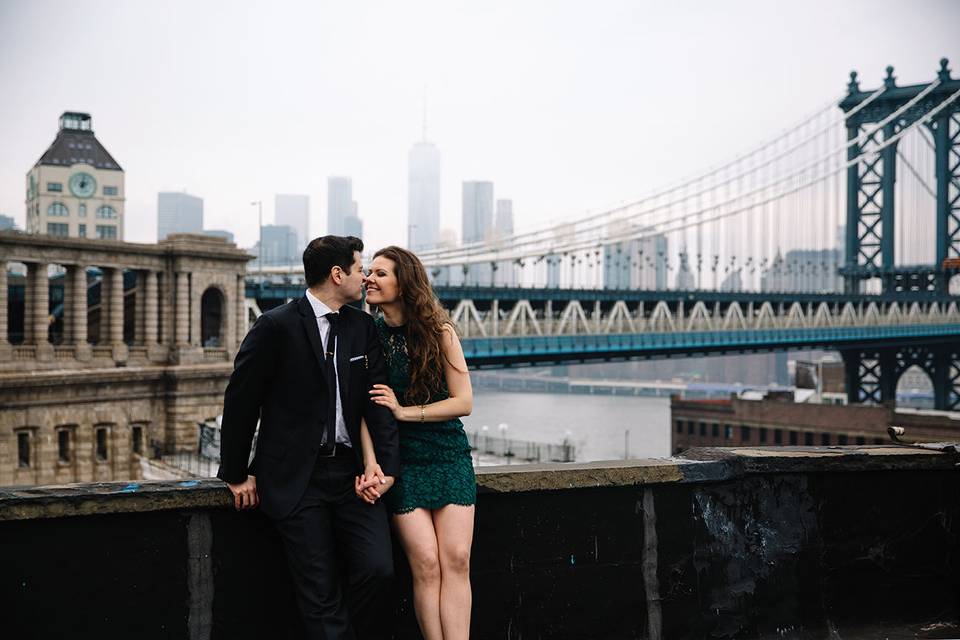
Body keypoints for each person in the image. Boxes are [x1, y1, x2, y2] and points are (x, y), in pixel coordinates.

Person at [217, 235, 400, 640]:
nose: (365, 276)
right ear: (338, 275)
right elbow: (242, 401)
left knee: (379, 570)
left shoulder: (363, 327)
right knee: (319, 592)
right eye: (359, 268)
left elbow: (376, 404)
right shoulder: (274, 326)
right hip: (296, 480)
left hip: (352, 477)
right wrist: (234, 472)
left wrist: (384, 469)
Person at [355, 246, 476, 640]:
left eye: (380, 273)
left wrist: (405, 412)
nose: (369, 279)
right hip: (402, 461)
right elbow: (362, 412)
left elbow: (464, 402)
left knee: (456, 560)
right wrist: (373, 463)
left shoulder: (441, 332)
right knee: (425, 564)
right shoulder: (366, 335)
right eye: (367, 272)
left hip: (448, 455)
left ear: (404, 283)